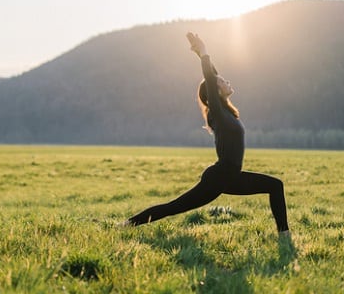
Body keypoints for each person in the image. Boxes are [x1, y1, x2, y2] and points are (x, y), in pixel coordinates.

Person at [124, 32, 290, 237]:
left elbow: (213, 76)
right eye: (222, 82)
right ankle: (125, 225)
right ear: (216, 91)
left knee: (275, 186)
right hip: (218, 177)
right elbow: (211, 80)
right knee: (173, 207)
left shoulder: (225, 111)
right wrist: (203, 53)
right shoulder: (217, 113)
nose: (226, 81)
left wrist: (201, 55)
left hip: (231, 176)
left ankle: (284, 235)